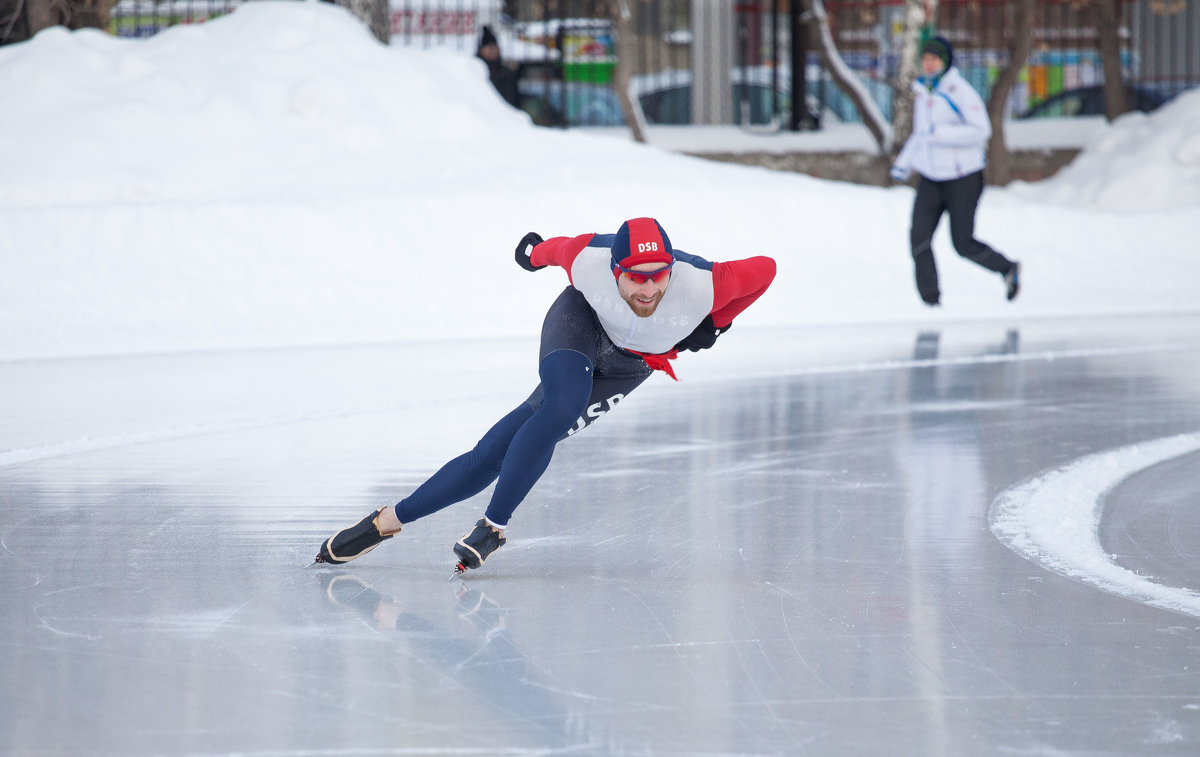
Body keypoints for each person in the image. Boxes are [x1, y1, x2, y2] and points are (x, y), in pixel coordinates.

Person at [315, 217, 776, 572]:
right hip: (581, 324)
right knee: (559, 407)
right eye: (636, 277)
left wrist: (719, 319)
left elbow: (766, 271)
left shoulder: (704, 283)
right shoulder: (587, 258)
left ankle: (389, 522)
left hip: (630, 365)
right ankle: (489, 527)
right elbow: (551, 251)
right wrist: (532, 254)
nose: (649, 288)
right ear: (614, 269)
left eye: (659, 276)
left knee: (495, 452)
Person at [891, 35, 1020, 306]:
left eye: (933, 59)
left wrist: (942, 133)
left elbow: (981, 130)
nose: (928, 64)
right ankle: (930, 302)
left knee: (962, 244)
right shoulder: (923, 91)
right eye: (925, 59)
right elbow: (920, 134)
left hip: (963, 177)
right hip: (931, 178)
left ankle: (1007, 268)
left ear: (945, 61)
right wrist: (903, 164)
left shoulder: (959, 92)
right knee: (918, 239)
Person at [475, 25, 520, 109]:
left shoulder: (507, 73)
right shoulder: (475, 72)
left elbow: (513, 99)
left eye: (494, 46)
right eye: (488, 47)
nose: (491, 50)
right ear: (481, 50)